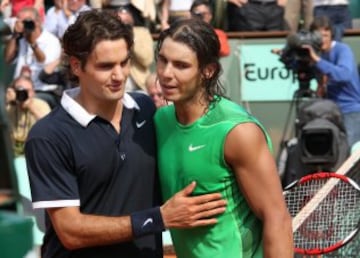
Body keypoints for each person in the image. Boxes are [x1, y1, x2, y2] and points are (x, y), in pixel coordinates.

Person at [24, 9, 227, 258]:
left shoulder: (146, 109)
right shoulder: (48, 136)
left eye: (124, 62)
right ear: (77, 66)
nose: (119, 75)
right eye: (106, 66)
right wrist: (159, 218)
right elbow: (70, 231)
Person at [154, 18, 293, 258]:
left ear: (208, 70)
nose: (167, 73)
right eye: (163, 60)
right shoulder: (161, 120)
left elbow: (277, 219)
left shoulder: (238, 132)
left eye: (181, 65)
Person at [304, 16, 360, 148]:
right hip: (329, 112)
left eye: (325, 35)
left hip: (350, 110)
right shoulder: (317, 53)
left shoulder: (342, 49)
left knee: (350, 154)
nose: (322, 39)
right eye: (318, 36)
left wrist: (317, 60)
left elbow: (344, 75)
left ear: (331, 35)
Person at [3, 6, 62, 108]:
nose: (24, 25)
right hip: (19, 89)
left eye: (27, 21)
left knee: (33, 103)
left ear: (38, 22)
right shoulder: (20, 39)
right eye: (20, 22)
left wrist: (33, 43)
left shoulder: (51, 41)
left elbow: (43, 63)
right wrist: (15, 35)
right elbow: (7, 59)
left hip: (43, 90)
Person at [6, 75, 51, 156]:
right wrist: (5, 101)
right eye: (20, 91)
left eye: (27, 91)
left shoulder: (41, 105)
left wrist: (30, 106)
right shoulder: (9, 106)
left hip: (34, 151)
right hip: (12, 151)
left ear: (33, 92)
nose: (23, 94)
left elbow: (49, 128)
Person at [116, 6, 154, 92]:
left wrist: (132, 38)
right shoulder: (110, 36)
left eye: (126, 24)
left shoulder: (143, 33)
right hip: (118, 83)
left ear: (132, 21)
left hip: (140, 84)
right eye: (119, 23)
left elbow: (147, 60)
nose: (123, 27)